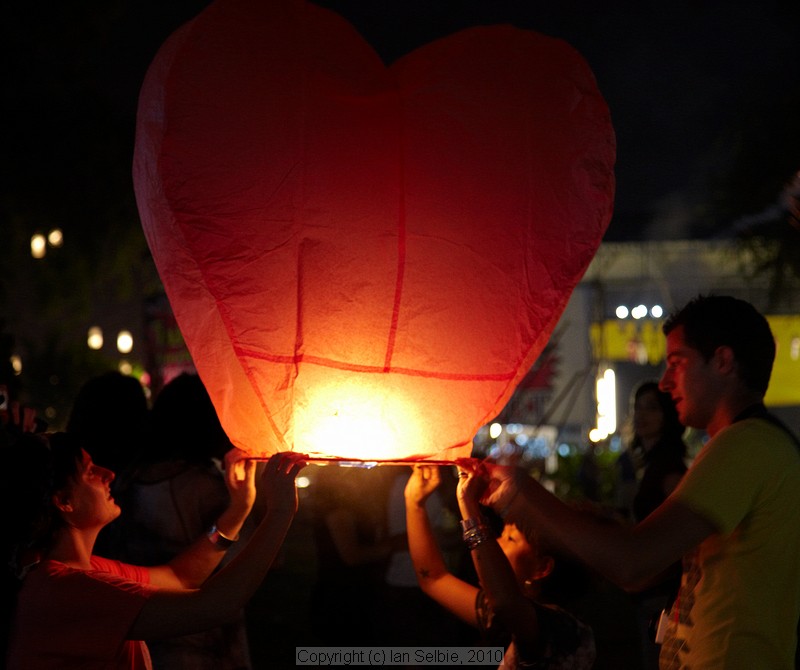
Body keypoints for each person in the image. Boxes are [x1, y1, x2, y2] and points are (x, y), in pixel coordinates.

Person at [467, 295, 800, 669]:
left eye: (677, 363)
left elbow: (633, 564)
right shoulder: (743, 446)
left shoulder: (745, 445)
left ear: (723, 361)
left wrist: (522, 491)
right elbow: (651, 568)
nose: (665, 381)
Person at [2, 430, 304, 669]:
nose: (108, 474)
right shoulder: (61, 592)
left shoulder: (85, 573)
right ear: (63, 501)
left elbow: (179, 578)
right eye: (90, 471)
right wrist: (279, 513)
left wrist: (238, 509)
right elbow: (214, 606)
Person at [111, 373, 257, 669]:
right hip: (205, 636)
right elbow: (244, 559)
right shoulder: (205, 485)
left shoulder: (128, 480)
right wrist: (249, 507)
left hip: (149, 631)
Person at [404, 464, 595, 669]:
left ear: (543, 568)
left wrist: (469, 506)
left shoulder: (562, 628)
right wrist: (414, 503)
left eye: (510, 539)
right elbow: (433, 578)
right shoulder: (505, 615)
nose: (495, 543)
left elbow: (505, 601)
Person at [615, 380, 688, 669]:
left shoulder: (669, 468)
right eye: (637, 408)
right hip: (649, 584)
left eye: (652, 408)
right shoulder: (650, 465)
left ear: (668, 415)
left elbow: (682, 523)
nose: (641, 415)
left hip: (660, 587)